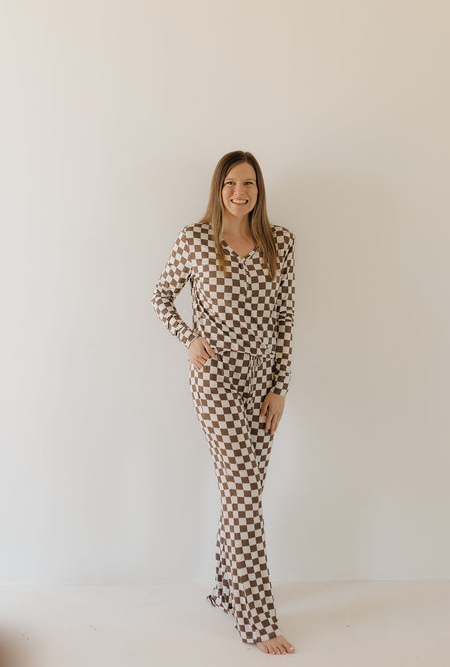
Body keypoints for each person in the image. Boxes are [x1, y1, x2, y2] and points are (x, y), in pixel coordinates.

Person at [151, 150, 296, 655]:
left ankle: (228, 589)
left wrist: (279, 386)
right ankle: (258, 621)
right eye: (231, 183)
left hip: (261, 384)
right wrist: (188, 337)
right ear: (218, 189)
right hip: (214, 380)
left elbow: (284, 323)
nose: (240, 192)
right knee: (242, 493)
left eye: (249, 183)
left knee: (244, 493)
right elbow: (161, 296)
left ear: (260, 189)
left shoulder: (282, 245)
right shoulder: (195, 240)